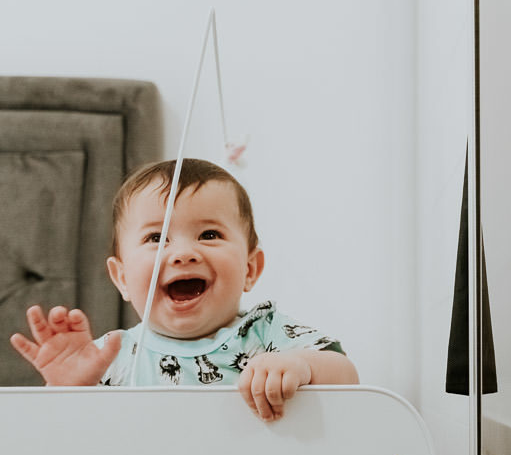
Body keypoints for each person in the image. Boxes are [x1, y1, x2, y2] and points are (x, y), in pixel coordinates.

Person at [10, 158, 358, 421]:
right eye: (156, 238)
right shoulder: (106, 358)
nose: (183, 253)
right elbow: (61, 445)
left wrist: (299, 366)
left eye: (209, 234)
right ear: (122, 278)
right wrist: (67, 390)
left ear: (250, 269)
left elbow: (348, 379)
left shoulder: (267, 335)